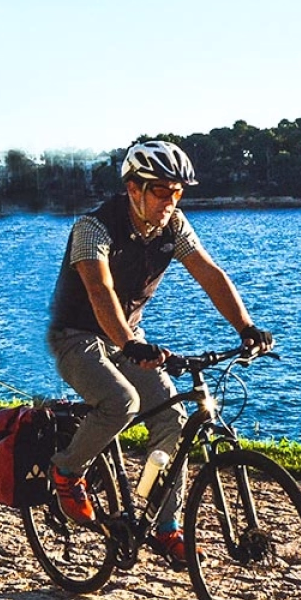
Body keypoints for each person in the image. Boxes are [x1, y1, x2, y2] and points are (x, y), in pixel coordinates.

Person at [46, 139, 272, 563]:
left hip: (125, 335)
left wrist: (246, 327)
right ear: (134, 189)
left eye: (178, 192)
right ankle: (67, 469)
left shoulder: (174, 225)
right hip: (76, 335)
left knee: (172, 415)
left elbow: (209, 273)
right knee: (122, 401)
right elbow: (100, 290)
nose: (171, 201)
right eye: (163, 191)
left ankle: (165, 529)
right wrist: (130, 344)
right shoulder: (92, 229)